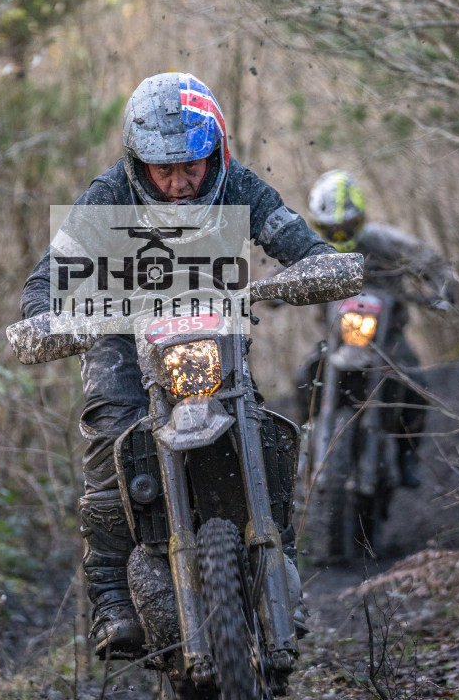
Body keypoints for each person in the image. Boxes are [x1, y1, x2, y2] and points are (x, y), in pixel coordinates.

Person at [20, 72, 338, 658]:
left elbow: (297, 238)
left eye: (190, 167)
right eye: (162, 170)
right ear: (137, 163)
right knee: (112, 433)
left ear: (215, 152)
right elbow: (50, 274)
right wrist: (42, 318)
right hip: (118, 328)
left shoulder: (240, 185)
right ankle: (113, 596)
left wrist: (321, 265)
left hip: (208, 327)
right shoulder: (109, 194)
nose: (178, 184)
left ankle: (279, 561)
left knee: (257, 423)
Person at [298, 168, 455, 488]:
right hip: (335, 337)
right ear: (319, 227)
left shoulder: (384, 241)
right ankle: (301, 447)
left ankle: (406, 455)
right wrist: (273, 293)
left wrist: (443, 289)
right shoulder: (308, 247)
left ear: (361, 219)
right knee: (304, 377)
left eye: (346, 227)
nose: (340, 236)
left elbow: (432, 260)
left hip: (388, 337)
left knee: (414, 383)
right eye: (333, 230)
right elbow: (285, 266)